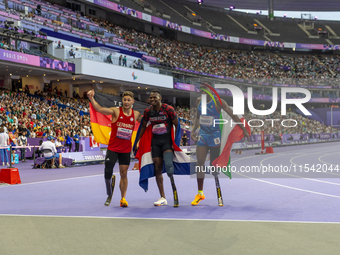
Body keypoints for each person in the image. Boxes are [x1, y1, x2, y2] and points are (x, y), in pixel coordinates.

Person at [190, 85, 250, 206]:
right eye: (200, 90)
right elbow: (198, 117)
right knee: (199, 163)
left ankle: (218, 190)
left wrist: (243, 129)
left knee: (214, 166)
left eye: (204, 90)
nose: (202, 92)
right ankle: (200, 193)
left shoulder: (218, 102)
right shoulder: (198, 101)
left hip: (215, 136)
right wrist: (193, 130)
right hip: (203, 135)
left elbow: (233, 115)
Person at [87, 89, 141, 207]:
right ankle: (109, 192)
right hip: (113, 148)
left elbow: (145, 123)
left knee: (124, 173)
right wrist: (91, 99)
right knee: (107, 171)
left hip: (126, 150)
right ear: (122, 100)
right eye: (124, 100)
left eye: (128, 100)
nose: (126, 102)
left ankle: (123, 199)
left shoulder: (136, 114)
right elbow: (100, 109)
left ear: (133, 101)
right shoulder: (116, 111)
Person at [135, 89, 178, 206]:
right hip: (156, 143)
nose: (152, 99)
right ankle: (163, 197)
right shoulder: (148, 111)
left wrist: (177, 142)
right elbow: (143, 127)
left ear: (160, 98)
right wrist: (137, 141)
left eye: (154, 97)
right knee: (157, 168)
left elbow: (176, 125)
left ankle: (174, 188)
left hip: (167, 142)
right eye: (151, 98)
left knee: (169, 165)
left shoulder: (168, 109)